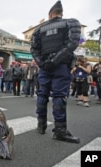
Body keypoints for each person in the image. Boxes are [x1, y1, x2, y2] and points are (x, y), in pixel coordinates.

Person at [30, 0, 81, 143]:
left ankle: (41, 125)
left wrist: (43, 63)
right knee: (59, 96)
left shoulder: (39, 29)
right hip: (60, 66)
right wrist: (56, 61)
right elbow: (72, 44)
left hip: (45, 67)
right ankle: (60, 131)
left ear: (50, 14)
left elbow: (34, 49)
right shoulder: (70, 23)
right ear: (61, 14)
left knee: (42, 94)